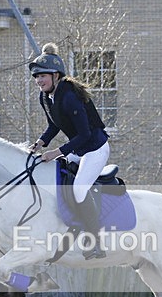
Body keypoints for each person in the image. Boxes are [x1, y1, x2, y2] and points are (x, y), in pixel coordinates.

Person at [29, 42, 110, 260]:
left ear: (56, 75)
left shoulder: (70, 95)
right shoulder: (45, 96)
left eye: (42, 76)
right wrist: (41, 142)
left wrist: (56, 152)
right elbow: (54, 125)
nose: (38, 81)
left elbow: (85, 135)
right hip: (79, 148)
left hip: (94, 148)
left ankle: (95, 243)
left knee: (79, 189)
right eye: (36, 77)